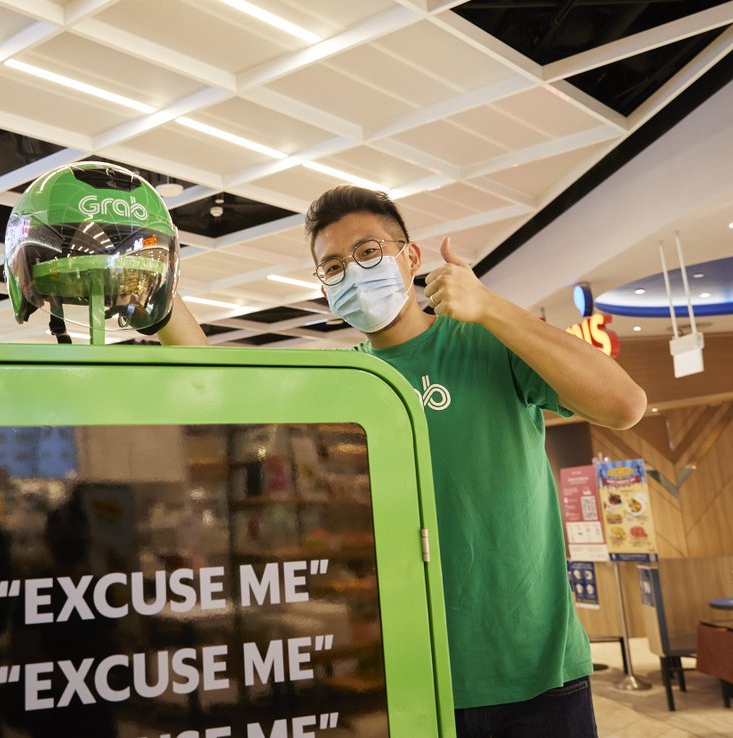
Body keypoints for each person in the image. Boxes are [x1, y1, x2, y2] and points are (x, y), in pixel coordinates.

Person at [155, 185, 647, 737]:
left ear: (410, 257)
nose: (353, 274)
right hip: (410, 680)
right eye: (333, 266)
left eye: (368, 253)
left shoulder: (482, 343)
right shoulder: (349, 385)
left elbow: (624, 405)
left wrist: (491, 308)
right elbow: (225, 396)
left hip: (537, 677)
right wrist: (158, 297)